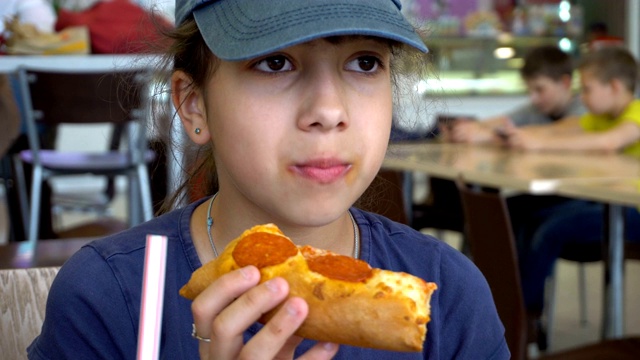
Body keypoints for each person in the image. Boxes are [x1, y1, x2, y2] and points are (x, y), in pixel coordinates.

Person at [27, 0, 509, 359]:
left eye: (365, 62)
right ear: (194, 104)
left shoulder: (446, 294)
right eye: (274, 62)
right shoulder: (112, 296)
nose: (329, 111)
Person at [503, 46, 640, 323]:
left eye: (587, 89)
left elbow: (608, 143)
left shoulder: (636, 112)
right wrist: (520, 134)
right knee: (528, 217)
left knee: (551, 230)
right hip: (608, 205)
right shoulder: (601, 118)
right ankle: (521, 309)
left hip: (633, 213)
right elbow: (563, 128)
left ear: (614, 87)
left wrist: (539, 144)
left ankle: (522, 315)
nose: (583, 97)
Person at [439, 45, 586, 144]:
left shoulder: (585, 105)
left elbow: (570, 127)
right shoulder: (536, 109)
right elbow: (504, 120)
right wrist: (469, 128)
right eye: (529, 91)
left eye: (540, 89)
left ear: (565, 82)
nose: (533, 98)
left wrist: (495, 136)